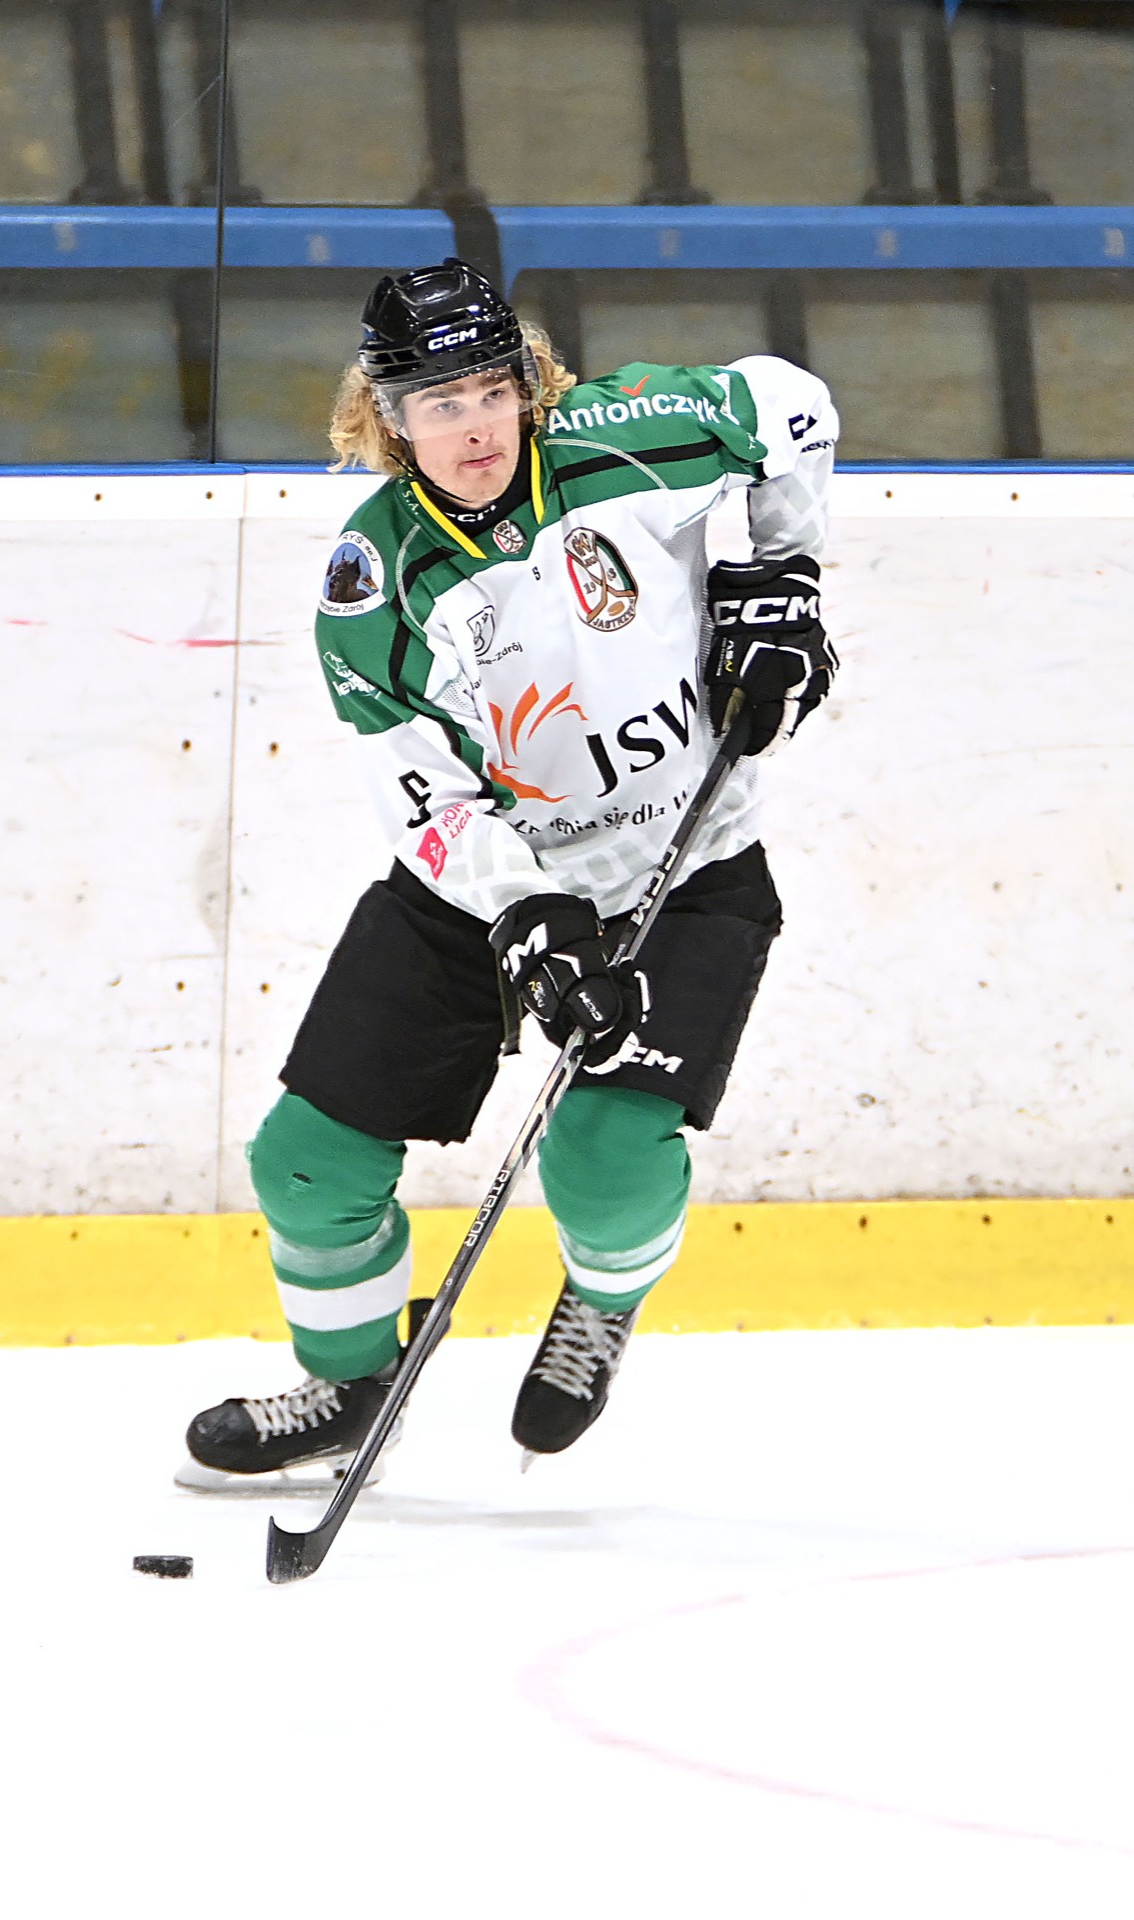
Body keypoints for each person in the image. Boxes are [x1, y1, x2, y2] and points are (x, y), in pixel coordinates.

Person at [179, 257, 839, 1489]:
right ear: (387, 417)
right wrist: (529, 912)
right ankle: (348, 1386)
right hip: (480, 893)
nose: (475, 425)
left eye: (493, 390)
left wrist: (781, 575)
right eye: (440, 403)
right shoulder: (371, 579)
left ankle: (601, 1301)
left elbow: (791, 405)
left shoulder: (626, 437)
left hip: (682, 869)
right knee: (306, 1159)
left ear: (529, 384)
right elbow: (418, 788)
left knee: (602, 1156)